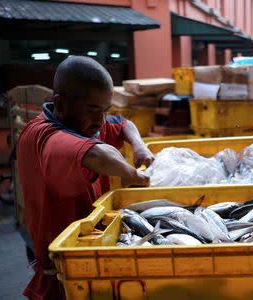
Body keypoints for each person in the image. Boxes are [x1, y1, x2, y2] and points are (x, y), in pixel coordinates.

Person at [16, 56, 155, 300]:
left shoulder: (84, 123)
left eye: (105, 109)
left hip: (95, 259)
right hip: (64, 274)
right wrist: (132, 174)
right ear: (60, 104)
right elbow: (96, 154)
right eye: (92, 110)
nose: (100, 120)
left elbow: (122, 123)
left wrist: (140, 146)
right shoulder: (43, 136)